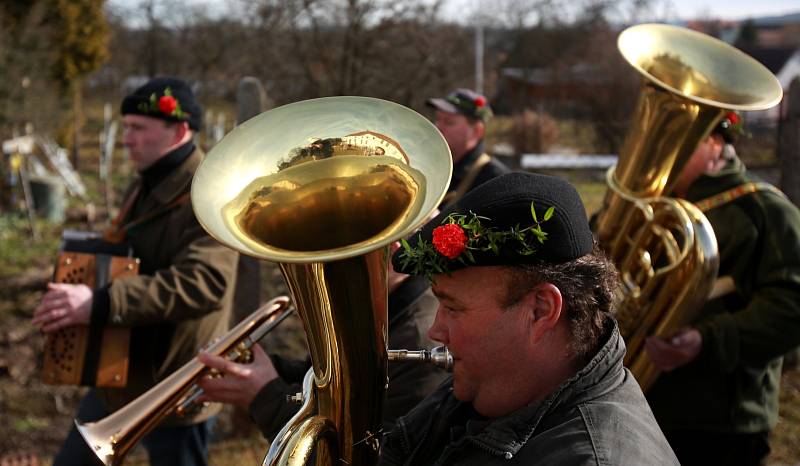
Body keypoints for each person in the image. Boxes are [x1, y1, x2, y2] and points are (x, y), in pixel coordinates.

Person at [379, 171, 679, 465]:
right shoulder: (490, 381)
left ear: (541, 311)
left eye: (453, 308)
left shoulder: (598, 458)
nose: (435, 330)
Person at [32, 77, 239, 466]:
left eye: (137, 129)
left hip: (174, 382)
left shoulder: (208, 192)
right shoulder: (148, 179)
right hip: (120, 371)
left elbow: (206, 283)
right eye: (125, 128)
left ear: (179, 130)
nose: (126, 139)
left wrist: (100, 301)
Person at [644, 111, 800, 466]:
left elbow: (791, 308)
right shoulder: (652, 205)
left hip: (722, 424)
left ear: (714, 144)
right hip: (644, 407)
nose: (661, 150)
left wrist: (708, 340)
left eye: (678, 139)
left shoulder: (766, 209)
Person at [197, 241, 448, 439]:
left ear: (393, 248)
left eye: (338, 248)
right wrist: (264, 371)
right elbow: (333, 384)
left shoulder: (420, 343)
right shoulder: (376, 306)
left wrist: (264, 396)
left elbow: (367, 455)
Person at [426, 88, 510, 205]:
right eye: (438, 119)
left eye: (449, 122)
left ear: (477, 131)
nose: (438, 127)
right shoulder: (430, 168)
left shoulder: (496, 180)